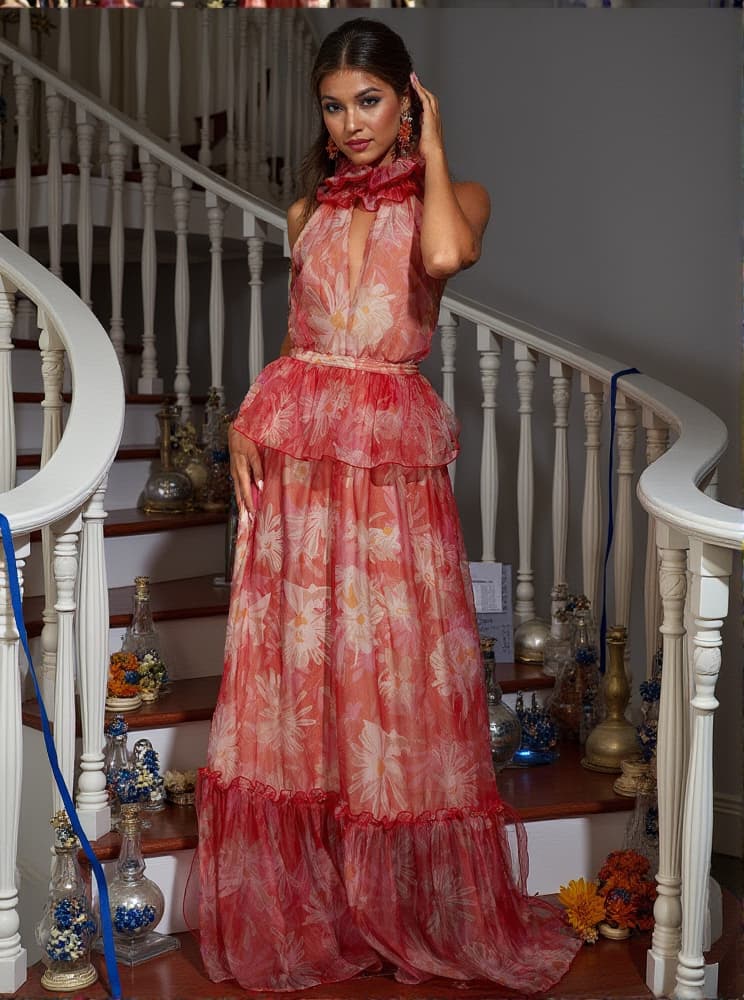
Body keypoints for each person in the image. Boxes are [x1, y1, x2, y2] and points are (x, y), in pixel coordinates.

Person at [193, 17, 581, 993]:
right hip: (299, 457)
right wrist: (246, 420)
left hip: (389, 466)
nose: (351, 122)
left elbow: (444, 257)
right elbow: (298, 343)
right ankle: (317, 900)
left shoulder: (458, 198)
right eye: (334, 106)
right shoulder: (304, 212)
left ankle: (401, 900)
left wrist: (432, 147)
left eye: (370, 100)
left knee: (393, 666)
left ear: (406, 101)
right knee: (304, 670)